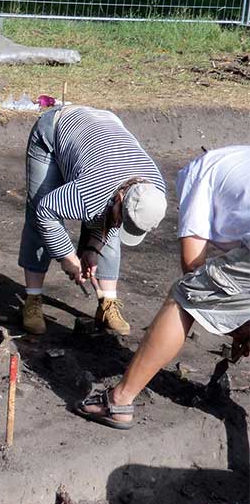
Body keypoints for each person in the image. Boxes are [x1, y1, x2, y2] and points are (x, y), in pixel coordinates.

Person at [75, 145, 250, 429]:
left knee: (185, 295)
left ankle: (119, 400)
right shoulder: (241, 167)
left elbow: (192, 265)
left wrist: (234, 325)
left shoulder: (200, 173)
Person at [18, 105, 167, 336]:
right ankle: (33, 298)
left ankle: (108, 302)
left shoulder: (154, 190)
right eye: (120, 211)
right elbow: (46, 211)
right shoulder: (93, 191)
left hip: (104, 129)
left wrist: (91, 249)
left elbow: (110, 220)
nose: (119, 221)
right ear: (119, 197)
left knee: (114, 224)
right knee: (38, 211)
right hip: (55, 130)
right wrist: (67, 256)